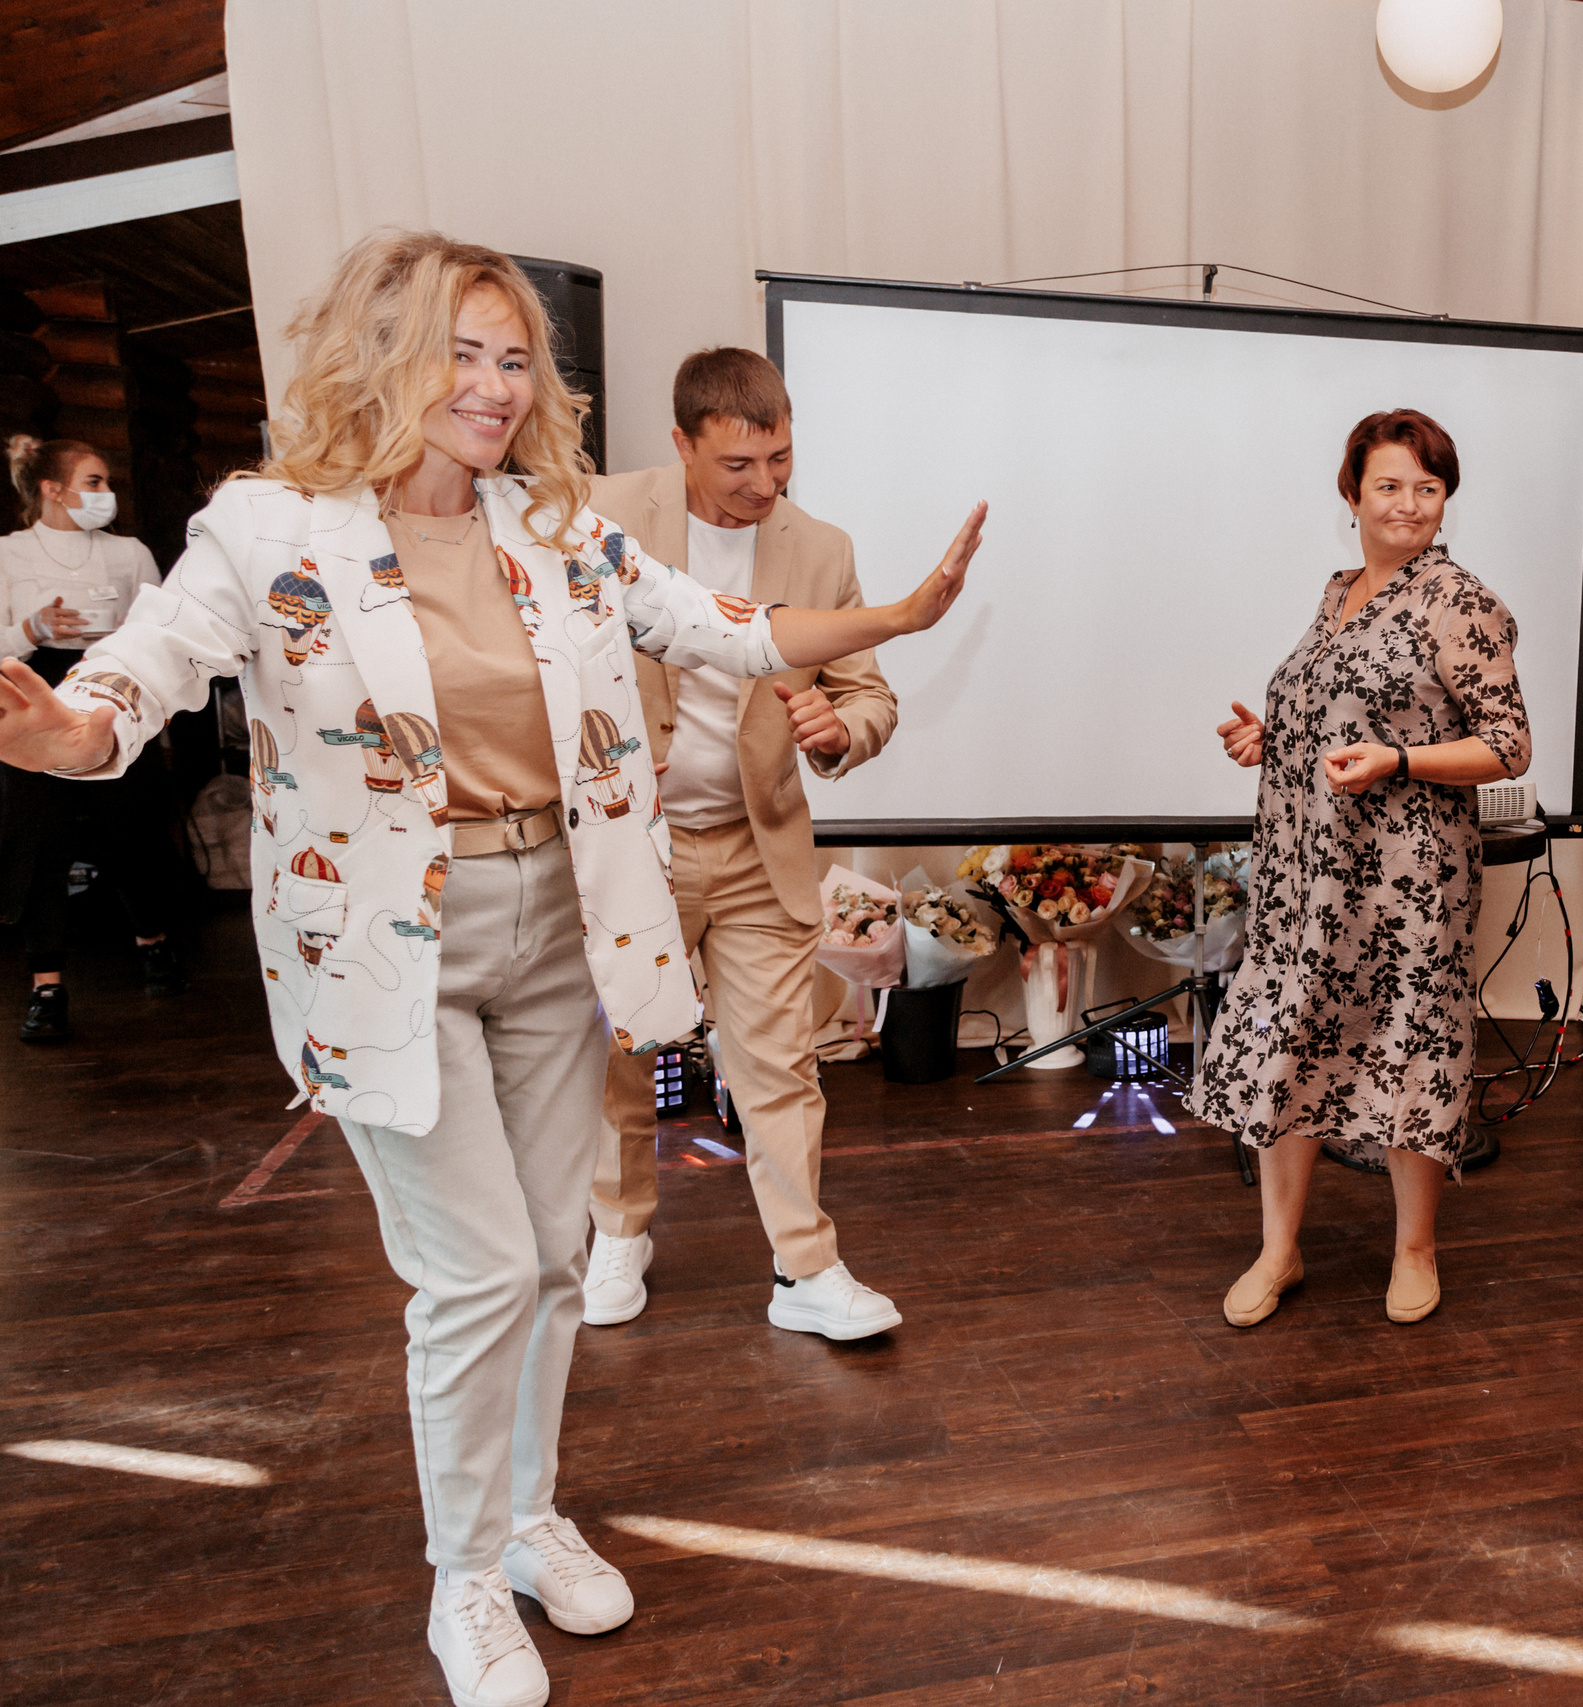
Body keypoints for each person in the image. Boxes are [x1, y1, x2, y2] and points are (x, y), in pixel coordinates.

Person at [0, 231, 984, 1707]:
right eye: (460, 351)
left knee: (549, 1257)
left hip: (558, 921)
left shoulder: (557, 522)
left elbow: (722, 625)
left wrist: (894, 618)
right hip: (390, 934)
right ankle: (462, 1569)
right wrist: (75, 732)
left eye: (513, 356)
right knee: (474, 1270)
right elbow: (151, 665)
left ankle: (526, 1517)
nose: (492, 383)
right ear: (384, 357)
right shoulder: (269, 526)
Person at [582, 348, 902, 1340]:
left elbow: (867, 691)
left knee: (779, 1066)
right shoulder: (595, 517)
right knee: (619, 1060)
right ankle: (618, 1235)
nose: (766, 484)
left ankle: (805, 1271)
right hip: (634, 854)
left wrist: (839, 730)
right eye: (738, 466)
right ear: (681, 444)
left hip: (759, 846)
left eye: (782, 459)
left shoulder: (820, 548)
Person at [1194, 408, 1529, 1329]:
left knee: (1412, 1044)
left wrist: (1400, 761)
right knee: (1290, 1037)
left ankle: (1415, 1248)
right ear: (1353, 495)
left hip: (1408, 886)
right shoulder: (1338, 590)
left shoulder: (1461, 601)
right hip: (1308, 879)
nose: (1409, 503)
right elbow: (1340, 712)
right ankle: (1280, 1250)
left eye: (1428, 487)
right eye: (1389, 484)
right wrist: (1272, 738)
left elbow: (1508, 745)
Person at [3, 436, 186, 1037]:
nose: (106, 494)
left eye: (107, 483)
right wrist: (29, 628)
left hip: (112, 689)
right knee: (40, 841)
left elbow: (163, 634)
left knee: (128, 830)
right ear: (52, 489)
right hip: (33, 691)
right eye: (93, 482)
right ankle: (46, 986)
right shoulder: (7, 553)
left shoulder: (130, 552)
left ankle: (154, 943)